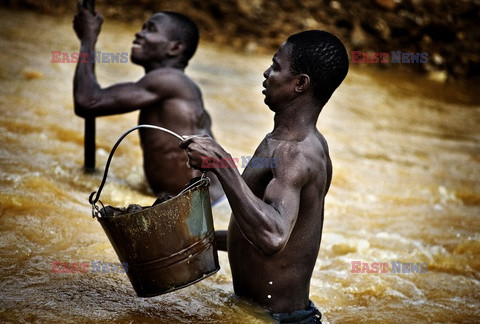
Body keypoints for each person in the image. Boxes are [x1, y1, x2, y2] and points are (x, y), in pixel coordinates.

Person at [180, 30, 349, 323]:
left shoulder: (294, 153)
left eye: (276, 66)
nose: (266, 73)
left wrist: (222, 166)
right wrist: (192, 239)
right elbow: (263, 242)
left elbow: (273, 236)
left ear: (300, 84)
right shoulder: (292, 142)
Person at [72, 5, 224, 204]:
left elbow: (87, 101)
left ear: (175, 48)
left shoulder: (169, 80)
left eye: (150, 29)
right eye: (143, 27)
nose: (139, 33)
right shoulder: (170, 85)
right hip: (205, 204)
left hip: (208, 208)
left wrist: (88, 38)